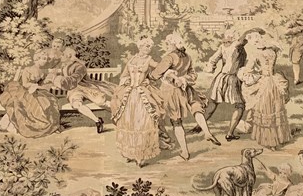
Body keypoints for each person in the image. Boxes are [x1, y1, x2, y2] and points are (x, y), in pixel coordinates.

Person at [150, 32, 221, 161]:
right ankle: (207, 132)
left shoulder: (169, 57)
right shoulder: (187, 57)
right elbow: (193, 75)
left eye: (168, 44)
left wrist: (150, 75)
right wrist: (184, 79)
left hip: (171, 91)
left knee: (176, 121)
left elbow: (156, 74)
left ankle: (185, 152)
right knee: (196, 107)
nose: (167, 46)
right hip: (187, 88)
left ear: (172, 44)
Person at [192, 27, 265, 141]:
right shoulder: (236, 46)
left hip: (221, 77)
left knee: (213, 103)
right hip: (232, 79)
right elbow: (242, 40)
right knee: (240, 106)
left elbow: (213, 59)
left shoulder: (223, 46)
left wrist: (211, 69)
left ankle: (198, 127)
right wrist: (251, 30)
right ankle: (230, 133)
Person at [110, 36, 166, 167]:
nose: (148, 49)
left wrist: (149, 79)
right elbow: (124, 76)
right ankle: (130, 153)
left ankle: (140, 155)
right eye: (146, 46)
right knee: (129, 122)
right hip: (130, 95)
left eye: (150, 47)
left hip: (142, 94)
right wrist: (126, 81)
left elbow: (160, 69)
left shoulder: (149, 60)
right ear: (140, 46)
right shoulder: (132, 59)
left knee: (142, 123)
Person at [238, 32, 291, 150]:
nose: (255, 43)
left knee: (265, 109)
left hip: (265, 83)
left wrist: (245, 73)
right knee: (275, 108)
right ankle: (278, 138)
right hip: (275, 82)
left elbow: (248, 70)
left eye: (256, 41)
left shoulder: (256, 54)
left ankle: (269, 140)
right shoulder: (272, 52)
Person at [49, 47, 112, 134]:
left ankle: (120, 114)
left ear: (69, 56)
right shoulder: (64, 67)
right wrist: (58, 86)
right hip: (74, 90)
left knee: (101, 102)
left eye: (62, 55)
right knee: (76, 105)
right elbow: (66, 83)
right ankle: (97, 121)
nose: (60, 57)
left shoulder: (80, 67)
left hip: (86, 88)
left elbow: (74, 80)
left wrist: (58, 80)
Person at [0, 50, 60, 138]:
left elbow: (42, 84)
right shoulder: (28, 70)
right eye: (43, 59)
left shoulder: (43, 71)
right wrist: (34, 86)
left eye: (46, 59)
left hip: (35, 91)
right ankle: (31, 126)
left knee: (49, 101)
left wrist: (47, 84)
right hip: (23, 91)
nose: (45, 61)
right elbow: (25, 84)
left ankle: (49, 126)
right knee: (30, 103)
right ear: (37, 59)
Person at [285, 19, 303, 85]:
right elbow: (286, 31)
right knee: (295, 62)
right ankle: (296, 79)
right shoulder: (292, 22)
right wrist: (299, 28)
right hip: (296, 45)